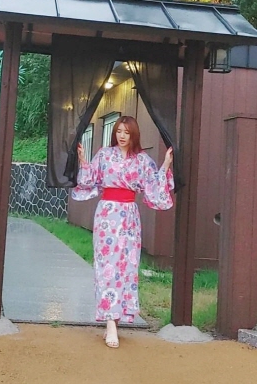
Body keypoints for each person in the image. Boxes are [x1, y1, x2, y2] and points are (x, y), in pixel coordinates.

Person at [72, 115, 174, 348]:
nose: (121, 135)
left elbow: (154, 186)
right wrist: (82, 159)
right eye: (118, 131)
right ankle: (109, 323)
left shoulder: (142, 160)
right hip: (107, 216)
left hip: (129, 217)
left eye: (126, 132)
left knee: (126, 267)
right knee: (107, 267)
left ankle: (117, 318)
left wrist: (167, 164)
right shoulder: (105, 155)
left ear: (134, 135)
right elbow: (89, 180)